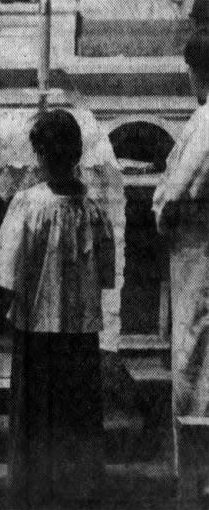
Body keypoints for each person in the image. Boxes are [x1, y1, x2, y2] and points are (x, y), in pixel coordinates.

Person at [0, 109, 116, 510]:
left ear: (40, 155)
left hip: (36, 327)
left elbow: (9, 267)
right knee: (75, 411)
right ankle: (77, 489)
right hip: (79, 329)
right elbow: (105, 272)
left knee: (37, 412)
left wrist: (9, 303)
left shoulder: (27, 205)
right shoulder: (94, 210)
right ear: (76, 154)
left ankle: (35, 489)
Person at [153, 30, 209, 510]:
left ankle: (193, 489)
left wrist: (161, 215)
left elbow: (177, 193)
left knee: (195, 364)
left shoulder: (208, 121)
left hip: (202, 257)